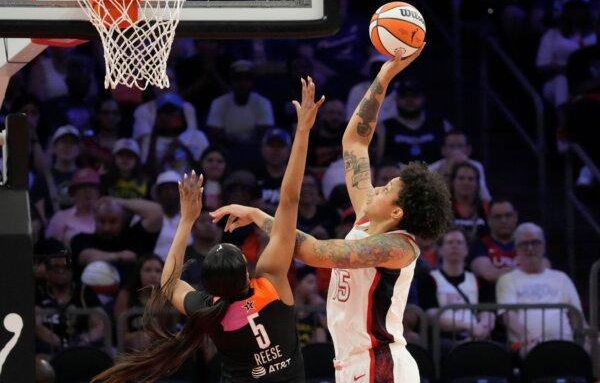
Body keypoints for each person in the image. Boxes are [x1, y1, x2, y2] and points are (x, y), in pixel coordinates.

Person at [212, 46, 454, 382]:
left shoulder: (397, 248)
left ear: (398, 211)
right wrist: (384, 76)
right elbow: (354, 142)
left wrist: (263, 218)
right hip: (352, 364)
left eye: (387, 189)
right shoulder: (369, 218)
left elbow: (315, 252)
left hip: (381, 364)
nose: (378, 188)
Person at [92, 76, 324, 383]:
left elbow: (168, 283)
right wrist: (303, 130)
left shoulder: (207, 308)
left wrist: (186, 219)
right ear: (246, 273)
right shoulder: (270, 281)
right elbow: (290, 199)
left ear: (209, 287)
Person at [497, 222, 584, 356]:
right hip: (519, 343)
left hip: (565, 341)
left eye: (535, 242)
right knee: (528, 350)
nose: (530, 248)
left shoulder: (561, 278)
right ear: (516, 249)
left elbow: (577, 316)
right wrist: (527, 337)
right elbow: (508, 315)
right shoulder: (507, 279)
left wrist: (589, 338)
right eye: (524, 244)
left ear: (543, 246)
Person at [418, 229, 495, 345]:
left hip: (476, 338)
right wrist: (468, 326)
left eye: (459, 242)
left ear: (466, 250)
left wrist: (483, 329)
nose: (455, 246)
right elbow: (431, 315)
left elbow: (487, 311)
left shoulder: (478, 280)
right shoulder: (429, 280)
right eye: (450, 242)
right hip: (444, 340)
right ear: (440, 250)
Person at [35, 247, 106, 355]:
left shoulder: (84, 291)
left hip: (82, 347)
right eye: (55, 267)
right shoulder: (39, 292)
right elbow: (35, 324)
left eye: (66, 266)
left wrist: (85, 340)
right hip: (47, 349)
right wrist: (55, 341)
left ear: (72, 270)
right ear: (47, 271)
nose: (61, 270)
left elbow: (100, 325)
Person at [536, 0, 596, 107]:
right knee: (561, 81)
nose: (576, 11)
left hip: (588, 80)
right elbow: (541, 65)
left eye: (580, 7)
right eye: (572, 7)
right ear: (565, 10)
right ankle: (562, 123)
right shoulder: (552, 34)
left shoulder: (595, 34)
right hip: (556, 82)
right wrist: (561, 69)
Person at [378, 78, 449, 164]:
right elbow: (380, 160)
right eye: (404, 96)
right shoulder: (385, 126)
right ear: (396, 99)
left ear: (422, 98)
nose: (409, 100)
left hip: (435, 174)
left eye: (414, 95)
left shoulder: (438, 123)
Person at [113, 255, 166, 352]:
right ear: (139, 273)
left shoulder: (168, 297)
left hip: (162, 348)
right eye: (147, 270)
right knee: (143, 338)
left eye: (158, 271)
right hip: (131, 348)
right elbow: (121, 334)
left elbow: (171, 331)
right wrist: (138, 337)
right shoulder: (125, 295)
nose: (153, 275)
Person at [429, 129, 491, 202]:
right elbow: (432, 198)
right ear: (443, 150)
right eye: (452, 146)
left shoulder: (476, 166)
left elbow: (485, 197)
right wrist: (446, 170)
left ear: (468, 149)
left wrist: (467, 166)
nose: (456, 151)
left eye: (460, 146)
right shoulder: (431, 168)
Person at [45, 167, 100, 246]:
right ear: (73, 193)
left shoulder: (105, 215)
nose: (88, 191)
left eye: (92, 186)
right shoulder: (61, 217)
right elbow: (50, 249)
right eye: (82, 187)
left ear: (98, 192)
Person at [470, 200, 519, 285]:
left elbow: (545, 266)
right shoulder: (479, 246)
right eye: (497, 217)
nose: (504, 220)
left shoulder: (528, 243)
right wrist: (527, 269)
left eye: (508, 215)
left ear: (515, 217)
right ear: (489, 220)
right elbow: (490, 275)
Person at [449, 162, 489, 243]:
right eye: (461, 178)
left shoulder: (486, 207)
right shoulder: (442, 207)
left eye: (470, 179)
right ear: (453, 182)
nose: (466, 183)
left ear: (477, 183)